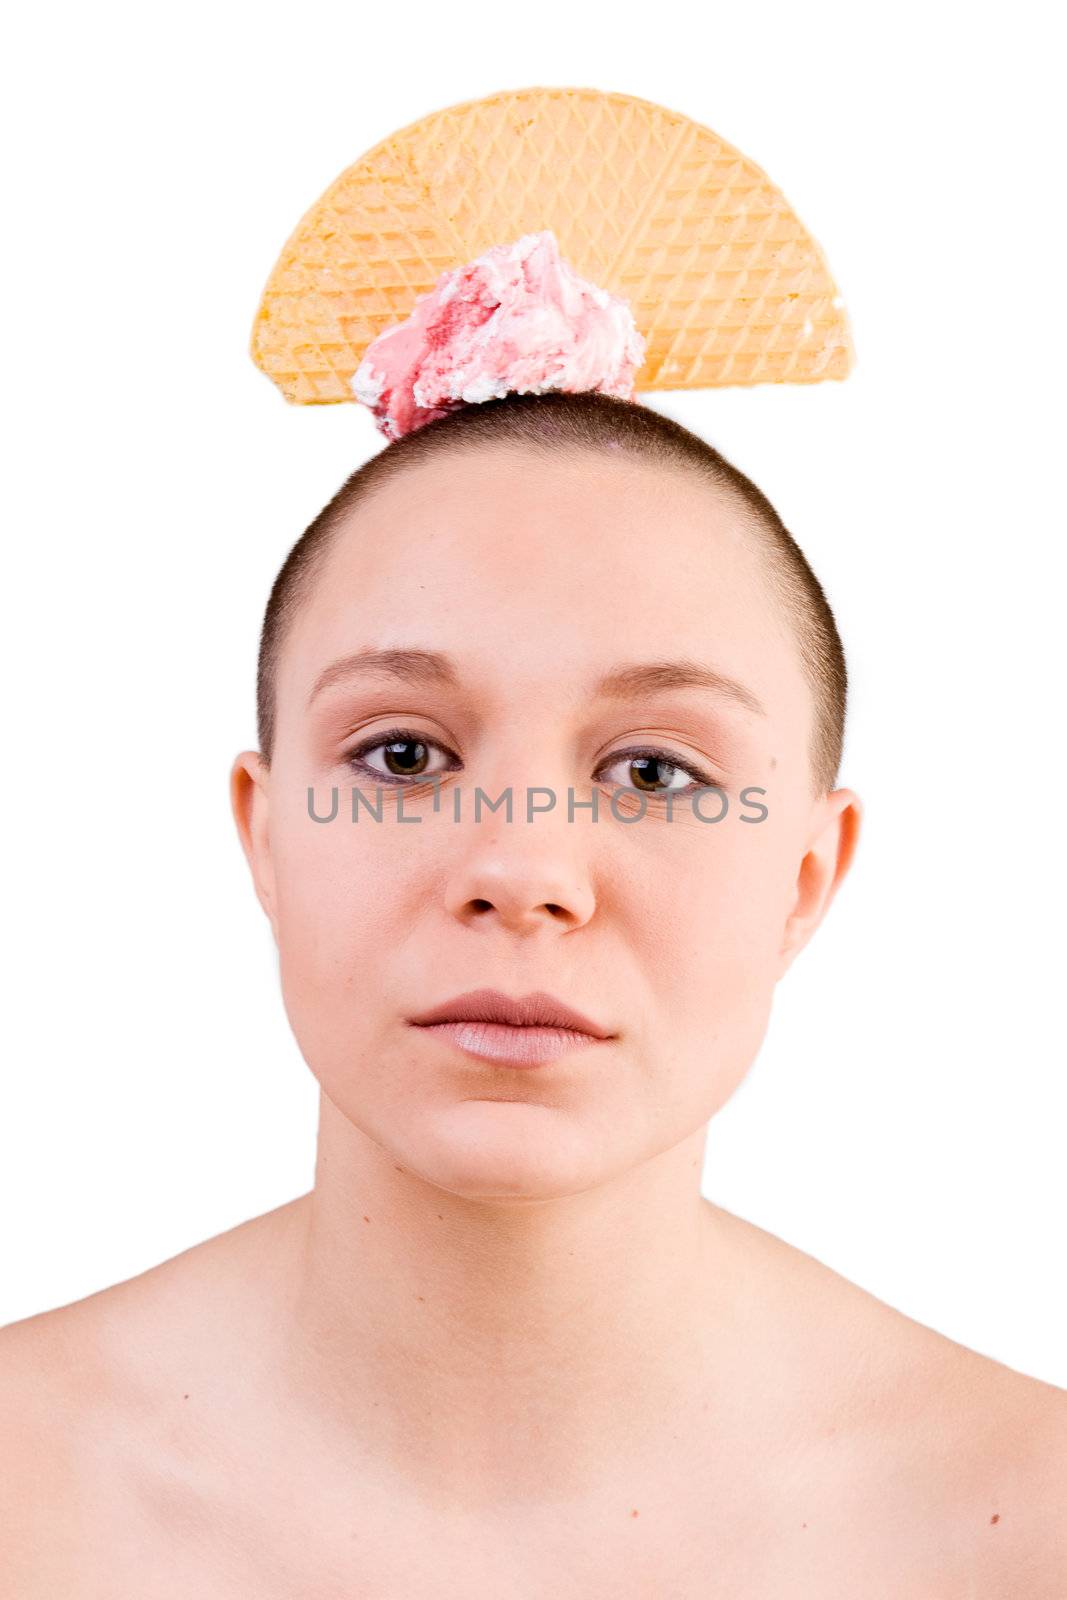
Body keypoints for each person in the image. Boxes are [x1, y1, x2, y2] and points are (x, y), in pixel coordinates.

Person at [2, 389, 1064, 1597]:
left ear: (804, 877)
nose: (521, 870)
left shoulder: (1024, 1522)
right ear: (266, 835)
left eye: (654, 772)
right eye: (403, 755)